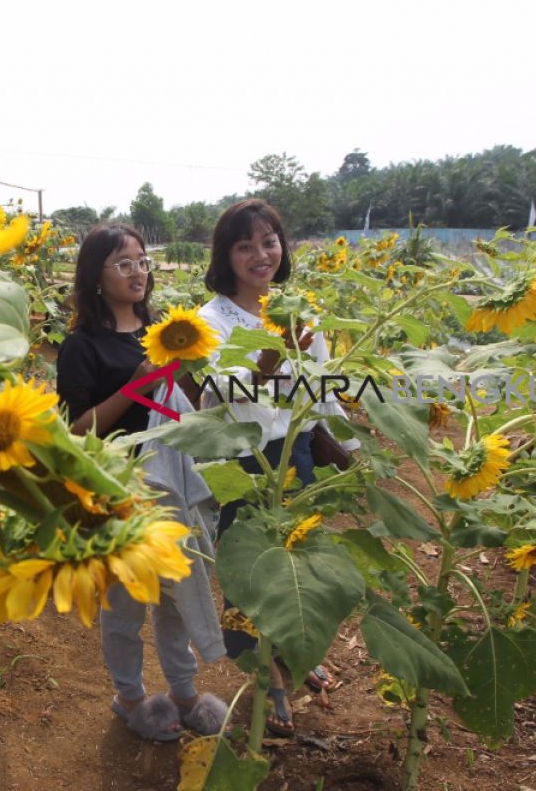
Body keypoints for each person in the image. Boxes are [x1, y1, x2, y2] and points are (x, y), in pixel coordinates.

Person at [56, 223, 227, 742]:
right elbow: (75, 432)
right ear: (96, 275)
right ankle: (129, 695)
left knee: (175, 596)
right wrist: (134, 387)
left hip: (168, 483)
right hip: (115, 493)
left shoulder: (158, 331)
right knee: (125, 604)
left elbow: (183, 404)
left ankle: (183, 690)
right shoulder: (81, 346)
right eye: (123, 263)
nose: (138, 272)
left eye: (142, 260)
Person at [197, 199, 344, 736]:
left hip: (298, 454)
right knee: (248, 569)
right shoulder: (210, 322)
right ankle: (266, 672)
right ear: (226, 256)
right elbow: (214, 397)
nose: (260, 255)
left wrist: (347, 447)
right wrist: (266, 362)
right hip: (246, 460)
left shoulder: (301, 312)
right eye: (245, 246)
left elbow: (323, 390)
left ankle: (292, 653)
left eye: (269, 242)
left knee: (295, 565)